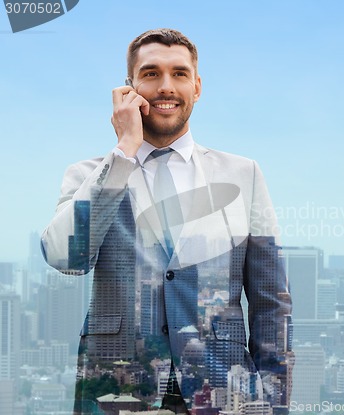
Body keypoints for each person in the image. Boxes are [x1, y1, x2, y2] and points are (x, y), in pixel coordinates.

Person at [41, 28, 293, 414]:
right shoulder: (88, 176)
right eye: (151, 73)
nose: (166, 87)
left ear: (197, 86)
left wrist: (274, 403)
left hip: (225, 394)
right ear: (129, 88)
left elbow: (271, 302)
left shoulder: (244, 175)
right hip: (116, 391)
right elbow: (66, 259)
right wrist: (124, 152)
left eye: (179, 74)